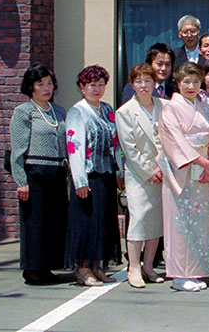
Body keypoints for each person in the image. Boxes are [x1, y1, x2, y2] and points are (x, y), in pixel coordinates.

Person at [158, 61, 209, 292]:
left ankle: (196, 270)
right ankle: (178, 274)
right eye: (186, 81)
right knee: (180, 222)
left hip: (203, 171)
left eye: (195, 81)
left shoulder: (204, 106)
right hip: (182, 171)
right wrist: (203, 161)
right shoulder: (170, 109)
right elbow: (175, 140)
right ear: (177, 83)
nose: (191, 86)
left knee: (199, 222)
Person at [9, 65, 67, 285]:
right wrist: (21, 181)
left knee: (54, 220)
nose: (46, 88)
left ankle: (48, 266)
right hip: (35, 172)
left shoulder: (59, 111)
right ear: (30, 87)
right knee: (35, 222)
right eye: (40, 84)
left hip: (57, 171)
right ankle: (33, 268)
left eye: (49, 83)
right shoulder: (24, 112)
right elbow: (17, 150)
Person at [65, 65, 121, 287]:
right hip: (87, 176)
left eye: (100, 84)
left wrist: (119, 170)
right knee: (87, 222)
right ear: (82, 87)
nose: (96, 89)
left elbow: (115, 143)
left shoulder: (107, 109)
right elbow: (74, 147)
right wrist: (79, 180)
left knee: (103, 221)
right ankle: (83, 269)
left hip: (106, 173)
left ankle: (98, 266)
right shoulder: (77, 112)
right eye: (91, 85)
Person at [115, 64, 166, 288]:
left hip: (163, 172)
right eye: (138, 81)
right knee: (139, 218)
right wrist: (150, 170)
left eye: (148, 80)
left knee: (156, 219)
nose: (143, 85)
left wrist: (163, 167)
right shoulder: (125, 111)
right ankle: (133, 266)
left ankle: (148, 265)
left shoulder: (165, 105)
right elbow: (130, 149)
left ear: (155, 83)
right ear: (132, 84)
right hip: (139, 174)